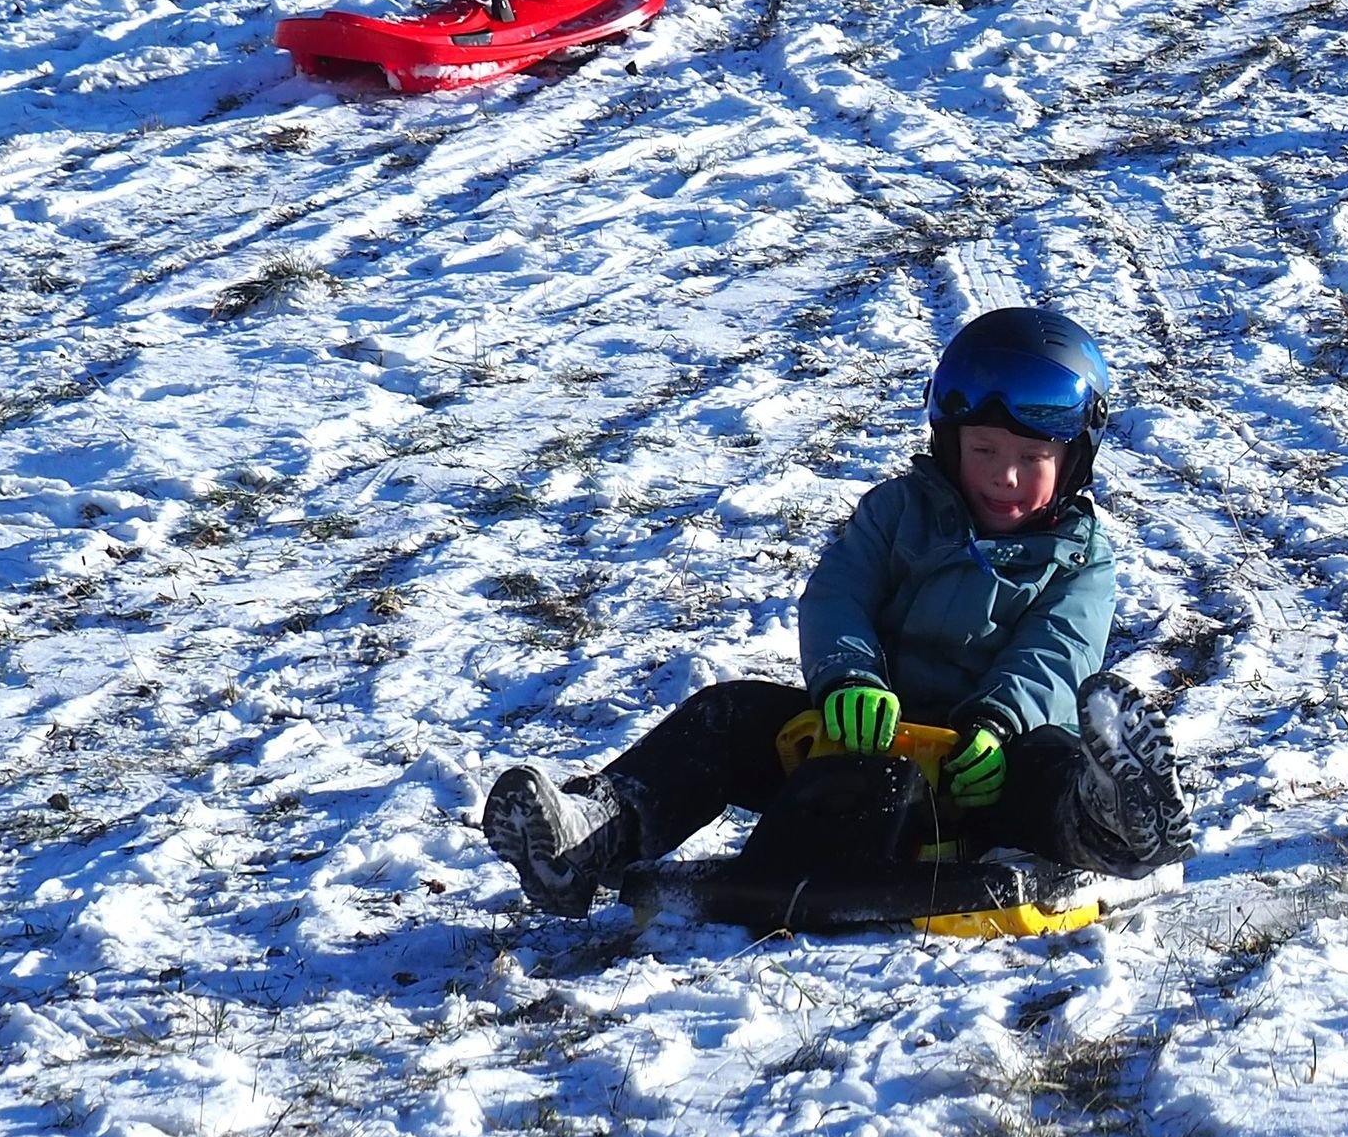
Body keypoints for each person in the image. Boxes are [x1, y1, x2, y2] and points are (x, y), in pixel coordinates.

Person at [481, 308, 1199, 925]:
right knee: (728, 715)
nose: (1004, 475)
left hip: (981, 765)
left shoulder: (1080, 560)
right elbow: (838, 596)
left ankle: (1113, 819)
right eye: (983, 450)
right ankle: (593, 831)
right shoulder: (898, 513)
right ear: (950, 444)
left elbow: (1055, 652)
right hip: (855, 734)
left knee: (1049, 765)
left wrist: (996, 724)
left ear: (1073, 460)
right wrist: (848, 677)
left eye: (1030, 457)